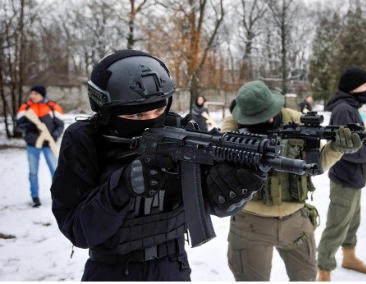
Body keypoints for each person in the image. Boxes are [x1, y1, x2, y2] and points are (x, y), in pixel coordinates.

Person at [50, 50, 265, 281]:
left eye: (159, 109)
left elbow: (214, 204)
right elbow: (78, 230)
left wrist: (236, 188)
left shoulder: (182, 133)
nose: (151, 119)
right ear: (106, 112)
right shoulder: (86, 141)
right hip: (111, 270)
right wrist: (122, 185)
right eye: (136, 116)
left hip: (173, 267)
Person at [222, 80, 362, 281]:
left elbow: (317, 164)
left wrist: (337, 148)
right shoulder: (232, 127)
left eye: (270, 114)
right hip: (250, 224)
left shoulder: (297, 121)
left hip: (296, 222)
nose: (269, 120)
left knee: (306, 277)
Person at [317, 67, 366, 281]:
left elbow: (357, 139)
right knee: (337, 225)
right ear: (355, 87)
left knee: (352, 222)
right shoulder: (344, 110)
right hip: (345, 177)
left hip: (355, 177)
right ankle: (324, 270)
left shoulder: (351, 107)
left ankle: (349, 257)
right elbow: (347, 147)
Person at [16, 85, 64, 207]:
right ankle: (35, 197)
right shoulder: (25, 107)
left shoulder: (53, 107)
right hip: (33, 145)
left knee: (55, 171)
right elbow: (19, 125)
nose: (32, 96)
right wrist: (29, 126)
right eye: (31, 93)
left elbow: (60, 125)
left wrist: (54, 136)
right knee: (33, 172)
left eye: (35, 94)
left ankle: (59, 195)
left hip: (48, 144)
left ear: (42, 95)